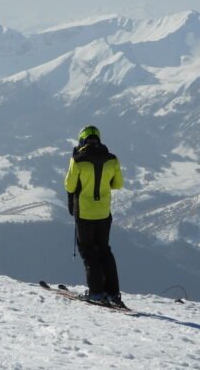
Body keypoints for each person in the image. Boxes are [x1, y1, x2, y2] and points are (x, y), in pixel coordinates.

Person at [64, 125, 125, 307]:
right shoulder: (112, 159)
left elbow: (69, 185)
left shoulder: (78, 160)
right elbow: (118, 184)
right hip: (104, 213)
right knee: (104, 250)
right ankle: (113, 292)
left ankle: (96, 292)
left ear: (82, 140)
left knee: (89, 252)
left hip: (84, 213)